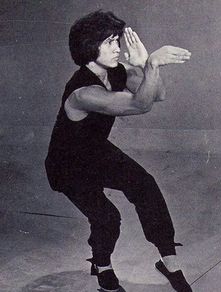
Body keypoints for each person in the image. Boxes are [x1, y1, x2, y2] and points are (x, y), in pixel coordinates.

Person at [45, 10, 192, 292]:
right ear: (89, 46)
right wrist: (149, 64)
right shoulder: (82, 92)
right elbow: (140, 105)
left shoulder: (115, 71)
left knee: (145, 186)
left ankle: (170, 262)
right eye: (109, 42)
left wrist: (144, 67)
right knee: (107, 218)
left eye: (117, 40)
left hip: (96, 151)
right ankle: (102, 266)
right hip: (68, 165)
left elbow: (157, 94)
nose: (118, 48)